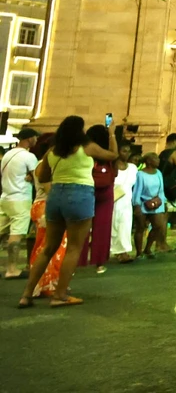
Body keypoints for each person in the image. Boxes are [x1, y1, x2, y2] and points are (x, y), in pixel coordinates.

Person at [18, 115, 117, 309]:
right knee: (74, 247)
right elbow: (113, 155)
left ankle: (26, 294)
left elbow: (42, 175)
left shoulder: (53, 151)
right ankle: (60, 294)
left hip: (56, 197)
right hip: (80, 195)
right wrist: (112, 134)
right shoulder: (86, 147)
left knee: (48, 248)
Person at [26, 134, 65, 297]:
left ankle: (38, 284)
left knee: (42, 245)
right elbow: (50, 190)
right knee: (54, 246)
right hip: (47, 207)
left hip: (38, 206)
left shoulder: (39, 164)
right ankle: (48, 284)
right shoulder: (47, 164)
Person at [1, 128, 40, 279]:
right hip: (20, 199)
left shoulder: (7, 155)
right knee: (16, 234)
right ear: (30, 139)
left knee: (1, 232)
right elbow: (37, 177)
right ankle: (12, 269)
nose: (36, 141)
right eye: (35, 138)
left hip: (5, 198)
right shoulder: (29, 157)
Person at [80, 124, 116, 272]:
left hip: (86, 188)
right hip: (106, 190)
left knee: (81, 227)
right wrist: (112, 135)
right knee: (103, 227)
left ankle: (78, 260)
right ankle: (99, 262)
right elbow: (115, 158)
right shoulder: (107, 153)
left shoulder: (85, 150)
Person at [132, 152, 167, 259]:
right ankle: (139, 252)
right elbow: (137, 191)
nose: (158, 160)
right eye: (155, 158)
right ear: (148, 161)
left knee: (158, 226)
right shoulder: (141, 174)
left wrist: (163, 203)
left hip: (156, 203)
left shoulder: (158, 173)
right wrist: (136, 205)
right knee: (140, 228)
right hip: (142, 203)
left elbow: (161, 190)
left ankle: (148, 248)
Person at [111, 141, 137, 263]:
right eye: (123, 151)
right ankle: (113, 251)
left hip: (126, 202)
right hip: (112, 201)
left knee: (125, 227)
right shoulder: (112, 167)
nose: (126, 154)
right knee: (112, 227)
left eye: (128, 151)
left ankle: (123, 252)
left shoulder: (133, 168)